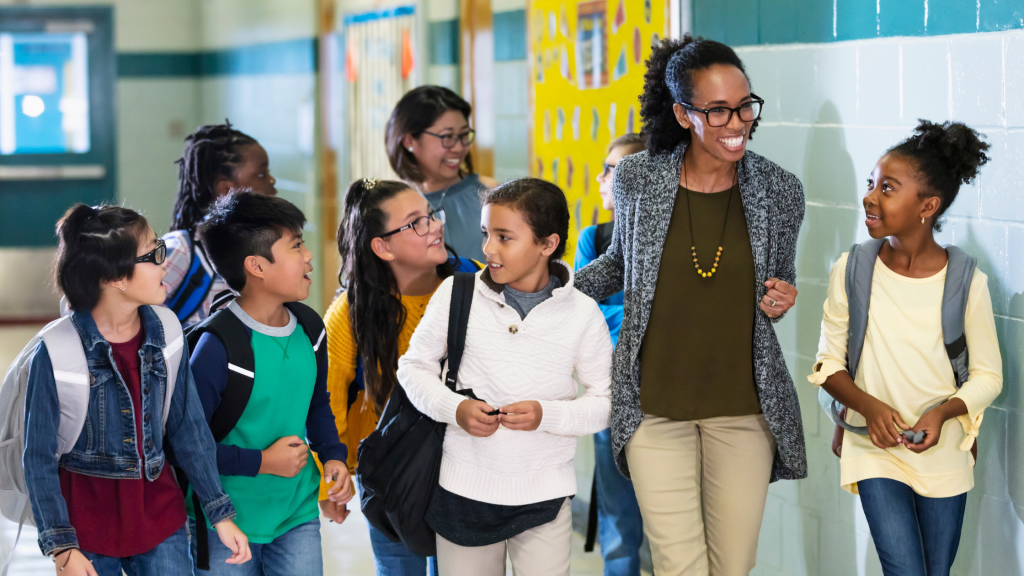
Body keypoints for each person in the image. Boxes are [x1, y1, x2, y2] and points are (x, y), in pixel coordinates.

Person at [574, 35, 807, 576]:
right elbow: (617, 266)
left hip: (742, 409)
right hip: (655, 409)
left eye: (745, 106)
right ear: (683, 113)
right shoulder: (638, 179)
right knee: (679, 566)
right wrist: (545, 292)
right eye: (718, 110)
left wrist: (782, 296)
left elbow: (780, 280)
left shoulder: (779, 190)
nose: (738, 123)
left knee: (732, 566)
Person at [809, 120, 1001, 576]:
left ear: (927, 206)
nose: (870, 197)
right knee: (905, 570)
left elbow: (989, 377)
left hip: (944, 450)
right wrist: (869, 409)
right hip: (874, 449)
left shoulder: (968, 282)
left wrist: (944, 414)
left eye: (888, 188)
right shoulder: (852, 269)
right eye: (872, 184)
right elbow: (828, 363)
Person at [397, 177, 612, 576]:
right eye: (485, 233)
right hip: (461, 491)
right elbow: (412, 368)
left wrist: (547, 415)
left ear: (547, 244)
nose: (488, 249)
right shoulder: (455, 293)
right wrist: (455, 408)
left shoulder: (582, 313)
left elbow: (607, 402)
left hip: (546, 498)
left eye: (504, 237)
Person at [23, 205, 249, 576]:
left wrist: (219, 512)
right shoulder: (58, 351)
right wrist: (62, 547)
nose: (164, 263)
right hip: (87, 536)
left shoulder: (168, 331)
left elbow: (188, 429)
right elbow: (38, 458)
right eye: (153, 253)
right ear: (116, 277)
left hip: (162, 523)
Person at [318, 178, 480, 575]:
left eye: (431, 215)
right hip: (392, 471)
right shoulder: (351, 312)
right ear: (382, 246)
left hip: (468, 465)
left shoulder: (473, 284)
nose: (436, 226)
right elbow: (328, 398)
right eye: (417, 223)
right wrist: (330, 476)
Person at [188, 192, 351, 575]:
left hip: (296, 510)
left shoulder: (310, 328)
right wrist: (263, 462)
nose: (308, 256)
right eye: (296, 246)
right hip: (226, 518)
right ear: (257, 266)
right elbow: (189, 447)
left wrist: (332, 455)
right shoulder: (216, 347)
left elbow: (315, 403)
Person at [574, 133, 646, 576]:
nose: (601, 178)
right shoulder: (595, 238)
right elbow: (584, 313)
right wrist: (637, 316)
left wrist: (621, 313)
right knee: (620, 520)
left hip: (674, 397)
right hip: (614, 396)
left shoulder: (677, 240)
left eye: (611, 169)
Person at [163, 122, 278, 327]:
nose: (272, 181)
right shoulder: (181, 250)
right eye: (261, 174)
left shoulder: (263, 254)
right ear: (225, 190)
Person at [385, 85, 498, 262]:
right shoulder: (390, 204)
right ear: (410, 141)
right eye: (447, 137)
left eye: (464, 135)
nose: (459, 147)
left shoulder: (490, 193)